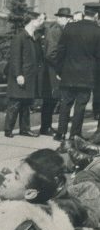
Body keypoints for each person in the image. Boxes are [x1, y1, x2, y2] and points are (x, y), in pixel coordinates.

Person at [52, 2, 100, 141]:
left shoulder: (70, 27)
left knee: (65, 104)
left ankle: (60, 133)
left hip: (68, 73)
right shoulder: (98, 31)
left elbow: (60, 51)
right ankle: (75, 134)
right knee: (80, 107)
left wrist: (59, 70)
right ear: (96, 15)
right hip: (86, 76)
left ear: (85, 12)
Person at [5, 11, 45, 138]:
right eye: (39, 20)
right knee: (15, 104)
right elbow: (15, 58)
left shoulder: (33, 38)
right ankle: (8, 130)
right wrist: (18, 75)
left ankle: (25, 129)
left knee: (26, 104)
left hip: (29, 77)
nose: (40, 23)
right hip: (21, 76)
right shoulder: (20, 37)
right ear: (32, 21)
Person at [40, 7, 72, 136]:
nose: (67, 20)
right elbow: (51, 54)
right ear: (60, 18)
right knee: (50, 99)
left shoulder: (59, 30)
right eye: (65, 18)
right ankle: (45, 127)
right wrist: (60, 69)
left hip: (53, 69)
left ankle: (46, 126)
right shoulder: (56, 31)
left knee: (51, 99)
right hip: (52, 70)